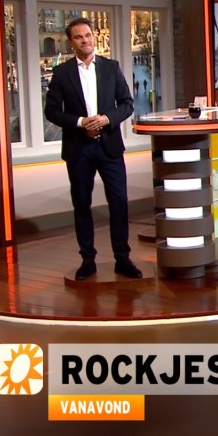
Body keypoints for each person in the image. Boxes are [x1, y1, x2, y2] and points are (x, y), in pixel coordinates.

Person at [44, 17, 141, 281]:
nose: (85, 40)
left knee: (119, 202)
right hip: (79, 149)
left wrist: (107, 119)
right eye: (78, 37)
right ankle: (87, 260)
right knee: (82, 205)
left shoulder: (111, 68)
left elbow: (127, 104)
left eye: (88, 35)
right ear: (71, 42)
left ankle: (122, 258)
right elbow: (51, 111)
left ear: (93, 37)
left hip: (109, 146)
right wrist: (79, 123)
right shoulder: (62, 73)